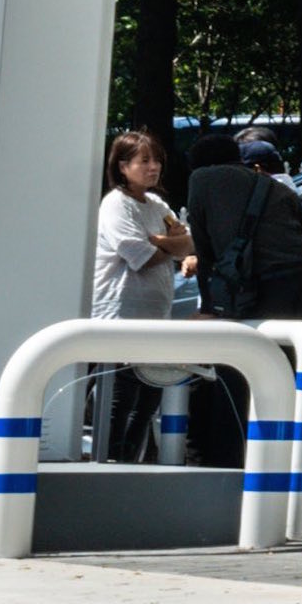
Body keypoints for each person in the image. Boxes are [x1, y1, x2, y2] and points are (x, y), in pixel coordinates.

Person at [175, 129, 302, 515]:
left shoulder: (202, 180)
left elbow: (207, 252)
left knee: (243, 387)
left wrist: (211, 307)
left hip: (265, 293)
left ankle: (237, 497)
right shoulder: (272, 186)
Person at [79, 129, 193, 460]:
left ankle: (130, 464)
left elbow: (185, 241)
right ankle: (110, 465)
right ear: (122, 165)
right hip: (120, 314)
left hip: (155, 317)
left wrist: (165, 243)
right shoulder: (116, 204)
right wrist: (171, 246)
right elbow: (137, 256)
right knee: (119, 399)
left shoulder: (158, 204)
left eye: (157, 160)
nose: (153, 166)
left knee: (147, 401)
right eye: (144, 160)